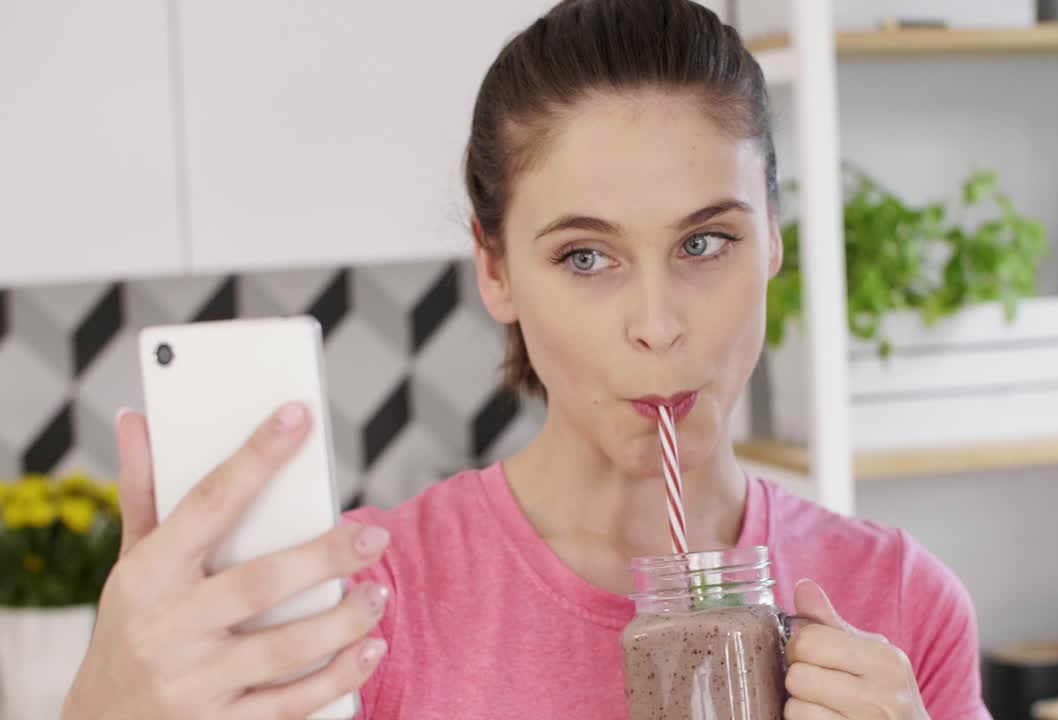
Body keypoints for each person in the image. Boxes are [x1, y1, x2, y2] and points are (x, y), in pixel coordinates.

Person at [64, 1, 992, 718]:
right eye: (586, 257)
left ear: (776, 242)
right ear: (497, 270)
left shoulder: (902, 605)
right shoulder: (358, 614)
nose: (657, 325)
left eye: (705, 243)